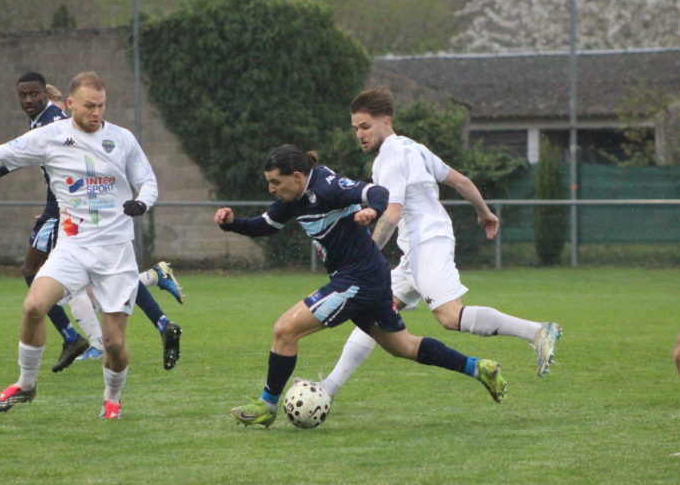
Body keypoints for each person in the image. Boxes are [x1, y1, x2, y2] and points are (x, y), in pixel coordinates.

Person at [0, 71, 155, 419]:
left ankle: (112, 397)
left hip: (116, 251)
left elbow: (148, 181)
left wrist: (142, 202)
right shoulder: (50, 137)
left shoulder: (122, 138)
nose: (96, 113)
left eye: (101, 106)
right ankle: (26, 385)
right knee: (33, 307)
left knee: (115, 344)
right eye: (89, 106)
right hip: (73, 248)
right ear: (70, 104)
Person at [214, 144, 507, 428]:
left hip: (357, 279)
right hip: (369, 277)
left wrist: (373, 211)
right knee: (403, 346)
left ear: (297, 176)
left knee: (284, 330)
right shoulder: (294, 196)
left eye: (275, 182)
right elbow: (266, 224)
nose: (271, 189)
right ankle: (478, 367)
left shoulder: (327, 187)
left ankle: (266, 406)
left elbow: (378, 193)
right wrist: (232, 223)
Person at [319, 86, 562, 399]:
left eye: (365, 126)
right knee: (372, 315)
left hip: (427, 242)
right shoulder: (414, 148)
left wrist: (364, 255)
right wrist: (484, 212)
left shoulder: (390, 157)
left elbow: (392, 214)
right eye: (355, 129)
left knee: (449, 316)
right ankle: (328, 388)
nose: (359, 134)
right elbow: (460, 181)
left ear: (385, 121)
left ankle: (538, 331)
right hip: (417, 249)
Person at [0, 74, 185, 371]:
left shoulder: (57, 124)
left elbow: (46, 160)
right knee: (95, 279)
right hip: (65, 210)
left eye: (34, 94)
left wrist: (55, 207)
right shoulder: (44, 124)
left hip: (68, 214)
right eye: (23, 95)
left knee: (41, 273)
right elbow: (27, 157)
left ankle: (78, 338)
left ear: (61, 102)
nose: (28, 100)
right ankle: (153, 307)